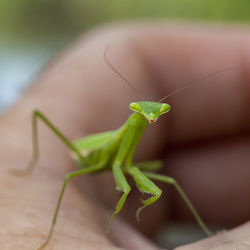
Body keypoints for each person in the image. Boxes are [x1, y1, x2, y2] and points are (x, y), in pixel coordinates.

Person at [1, 22, 250, 249]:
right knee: (49, 139)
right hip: (87, 155)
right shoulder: (128, 125)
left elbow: (124, 166)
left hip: (117, 160)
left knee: (167, 181)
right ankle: (53, 227)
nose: (152, 118)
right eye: (144, 113)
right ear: (135, 110)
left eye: (159, 112)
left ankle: (204, 228)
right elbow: (116, 170)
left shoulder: (145, 122)